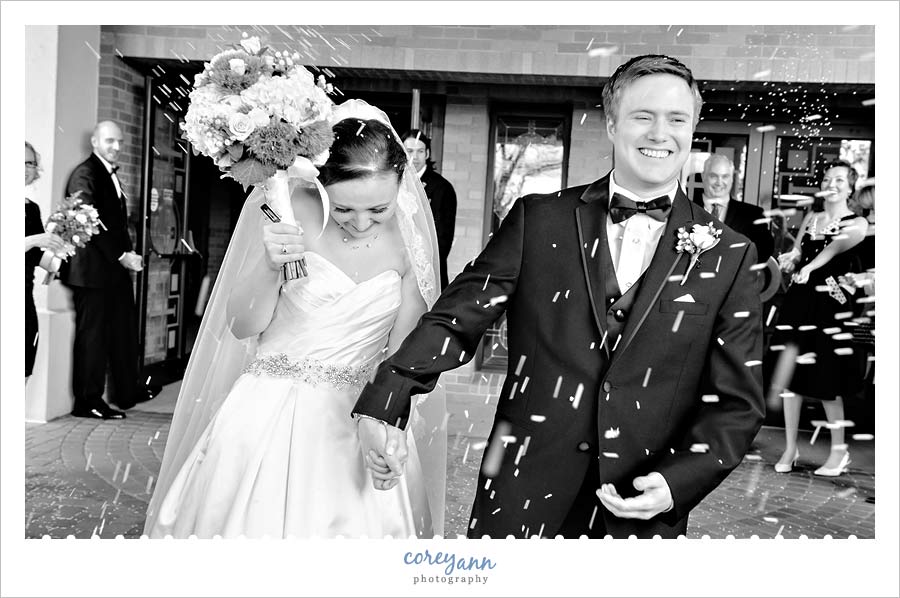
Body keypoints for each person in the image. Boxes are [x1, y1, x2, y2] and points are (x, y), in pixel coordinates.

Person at [354, 55, 765, 539]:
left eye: (676, 119)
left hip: (640, 507)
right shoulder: (539, 220)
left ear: (693, 128)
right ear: (612, 124)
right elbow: (454, 319)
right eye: (643, 116)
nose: (660, 133)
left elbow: (738, 402)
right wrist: (385, 400)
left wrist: (678, 483)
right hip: (521, 489)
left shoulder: (732, 253)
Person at [143, 101, 446, 539]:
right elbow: (242, 326)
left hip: (359, 418)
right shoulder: (288, 212)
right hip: (267, 416)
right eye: (343, 209)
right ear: (320, 186)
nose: (361, 223)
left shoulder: (408, 240)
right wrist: (269, 264)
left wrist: (387, 422)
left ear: (401, 186)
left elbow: (400, 360)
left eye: (377, 210)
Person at [772, 160, 868, 477]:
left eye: (840, 179)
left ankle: (839, 453)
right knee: (790, 378)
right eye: (828, 178)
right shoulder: (812, 218)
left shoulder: (857, 223)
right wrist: (792, 258)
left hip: (831, 304)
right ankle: (790, 447)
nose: (833, 183)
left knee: (827, 381)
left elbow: (835, 247)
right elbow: (801, 251)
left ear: (851, 187)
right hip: (801, 302)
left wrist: (811, 267)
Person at [59, 121, 146, 420]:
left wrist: (128, 252)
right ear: (95, 141)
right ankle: (87, 402)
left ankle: (127, 391)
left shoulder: (109, 174)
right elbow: (89, 221)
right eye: (110, 141)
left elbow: (115, 221)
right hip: (92, 274)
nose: (117, 147)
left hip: (111, 272)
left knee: (121, 331)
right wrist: (122, 255)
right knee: (93, 338)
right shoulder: (86, 172)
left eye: (119, 141)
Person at [24, 141, 66, 379]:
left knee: (24, 369)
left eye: (31, 162)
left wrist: (64, 247)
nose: (26, 168)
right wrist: (34, 239)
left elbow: (39, 258)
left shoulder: (32, 209)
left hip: (25, 297)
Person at [402, 129, 457, 288]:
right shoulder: (395, 182)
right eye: (409, 151)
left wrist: (421, 266)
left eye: (420, 151)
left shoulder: (442, 188)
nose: (415, 156)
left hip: (427, 270)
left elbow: (443, 239)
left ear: (427, 154)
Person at [698, 153, 774, 263]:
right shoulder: (684, 209)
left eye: (725, 176)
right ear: (703, 176)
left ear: (732, 179)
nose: (719, 182)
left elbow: (764, 250)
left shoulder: (753, 214)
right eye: (713, 176)